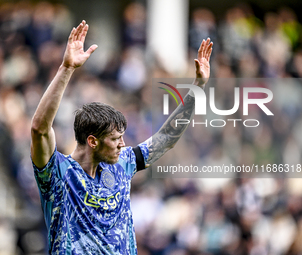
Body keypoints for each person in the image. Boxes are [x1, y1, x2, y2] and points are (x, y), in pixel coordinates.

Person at [31, 20, 213, 254]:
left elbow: (167, 137)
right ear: (93, 141)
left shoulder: (122, 163)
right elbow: (39, 129)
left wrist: (198, 86)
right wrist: (66, 69)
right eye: (115, 139)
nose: (123, 144)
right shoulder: (58, 173)